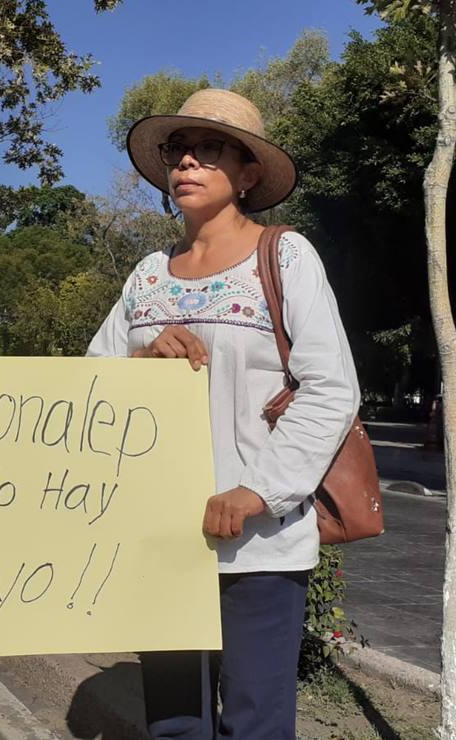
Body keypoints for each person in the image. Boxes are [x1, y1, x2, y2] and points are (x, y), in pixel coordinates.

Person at [87, 89, 360, 738]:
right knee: (175, 724)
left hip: (259, 547)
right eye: (178, 151)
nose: (186, 162)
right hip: (163, 539)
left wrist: (256, 490)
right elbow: (92, 388)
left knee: (256, 724)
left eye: (208, 150)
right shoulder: (149, 276)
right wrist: (143, 360)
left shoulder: (284, 256)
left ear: (248, 173)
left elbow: (331, 388)